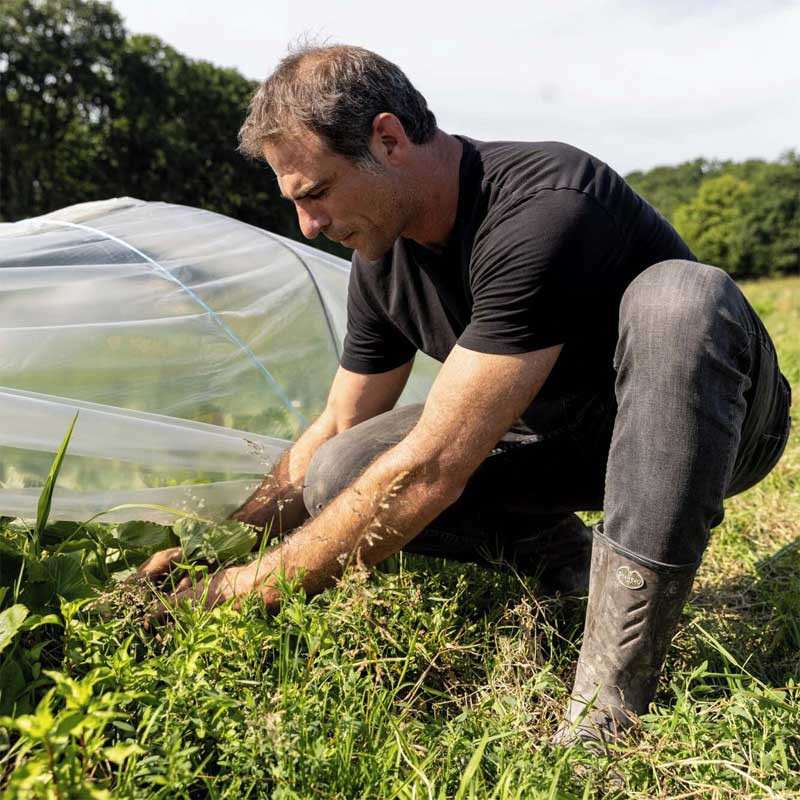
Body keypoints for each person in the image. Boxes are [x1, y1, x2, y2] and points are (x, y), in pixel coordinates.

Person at [139, 44, 792, 748]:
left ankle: (610, 702)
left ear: (388, 139)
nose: (309, 226)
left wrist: (250, 587)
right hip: (568, 439)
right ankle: (564, 563)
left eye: (316, 192)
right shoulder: (381, 261)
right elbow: (338, 422)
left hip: (716, 423)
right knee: (339, 472)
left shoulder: (544, 205)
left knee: (678, 298)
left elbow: (431, 467)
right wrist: (224, 548)